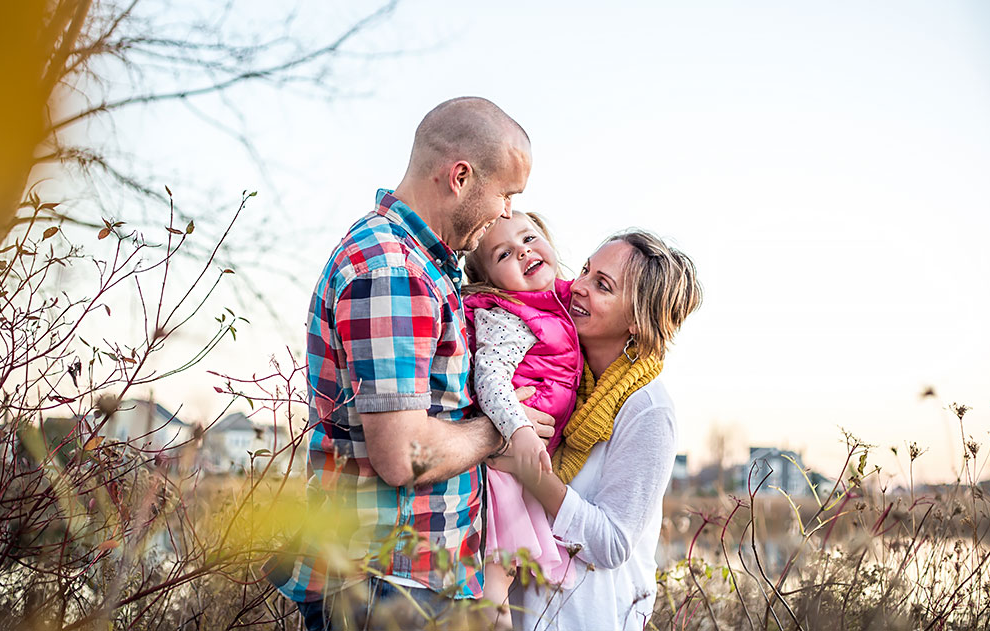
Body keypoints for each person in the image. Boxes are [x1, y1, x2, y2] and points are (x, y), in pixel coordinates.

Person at [265, 97, 554, 631]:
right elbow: (402, 454)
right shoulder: (391, 269)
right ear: (461, 177)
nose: (508, 213)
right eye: (507, 194)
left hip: (411, 585)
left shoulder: (425, 265)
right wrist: (498, 432)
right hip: (386, 587)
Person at [497, 230, 703, 631]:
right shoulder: (562, 380)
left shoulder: (647, 409)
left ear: (638, 320)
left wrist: (530, 472)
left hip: (589, 618)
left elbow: (612, 542)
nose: (578, 286)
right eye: (587, 271)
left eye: (602, 285)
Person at [461, 212, 582, 625]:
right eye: (504, 254)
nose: (524, 251)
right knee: (500, 566)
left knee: (510, 563)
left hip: (527, 456)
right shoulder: (508, 316)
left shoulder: (557, 302)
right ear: (491, 280)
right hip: (510, 458)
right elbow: (491, 379)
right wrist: (521, 430)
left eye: (529, 237)